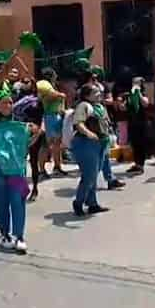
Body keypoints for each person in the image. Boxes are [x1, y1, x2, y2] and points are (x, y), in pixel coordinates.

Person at [0, 90, 40, 254]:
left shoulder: (19, 122)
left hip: (16, 167)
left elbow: (30, 139)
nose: (8, 106)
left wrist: (35, 133)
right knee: (1, 201)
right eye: (4, 102)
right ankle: (5, 234)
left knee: (18, 200)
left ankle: (19, 236)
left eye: (10, 102)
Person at [70, 85, 110, 216]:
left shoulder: (100, 107)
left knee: (94, 174)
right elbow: (78, 124)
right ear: (87, 95)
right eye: (95, 92)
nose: (99, 94)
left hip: (100, 143)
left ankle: (92, 203)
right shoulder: (83, 106)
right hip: (86, 143)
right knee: (90, 175)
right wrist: (88, 133)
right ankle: (78, 202)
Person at [13, 82, 45, 201]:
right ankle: (20, 188)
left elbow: (42, 117)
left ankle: (35, 188)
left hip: (34, 132)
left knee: (33, 160)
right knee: (18, 162)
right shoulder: (16, 99)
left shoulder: (37, 101)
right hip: (19, 132)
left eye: (27, 82)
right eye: (23, 82)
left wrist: (39, 132)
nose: (24, 84)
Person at [37, 68, 67, 176]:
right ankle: (41, 170)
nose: (56, 76)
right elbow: (50, 96)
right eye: (54, 74)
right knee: (46, 144)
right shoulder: (44, 85)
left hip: (56, 115)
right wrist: (60, 95)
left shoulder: (53, 86)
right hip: (49, 116)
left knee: (57, 144)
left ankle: (57, 166)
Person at [121, 77, 150, 175]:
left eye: (137, 83)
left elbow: (145, 103)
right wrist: (122, 103)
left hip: (141, 122)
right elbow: (124, 107)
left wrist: (139, 94)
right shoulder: (129, 95)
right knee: (134, 143)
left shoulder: (143, 95)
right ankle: (137, 164)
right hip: (132, 121)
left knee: (141, 143)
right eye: (134, 82)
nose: (135, 84)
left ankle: (141, 165)